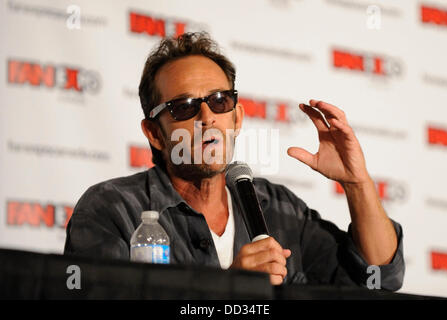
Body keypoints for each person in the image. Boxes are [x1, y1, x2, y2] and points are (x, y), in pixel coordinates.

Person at [64, 32, 404, 290]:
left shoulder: (279, 208)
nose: (207, 118)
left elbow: (377, 279)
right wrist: (230, 289)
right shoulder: (111, 208)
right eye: (183, 107)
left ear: (237, 118)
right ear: (154, 133)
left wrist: (357, 184)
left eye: (219, 101)